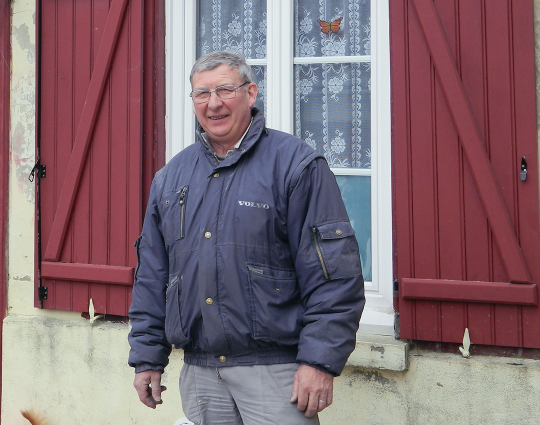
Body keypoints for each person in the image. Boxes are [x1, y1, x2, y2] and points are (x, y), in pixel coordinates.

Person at [128, 51, 365, 424]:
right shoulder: (171, 179)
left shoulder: (296, 165)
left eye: (225, 90)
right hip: (201, 373)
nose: (214, 103)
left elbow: (334, 277)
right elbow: (152, 278)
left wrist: (319, 361)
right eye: (202, 94)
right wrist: (146, 357)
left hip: (276, 371)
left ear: (251, 93)